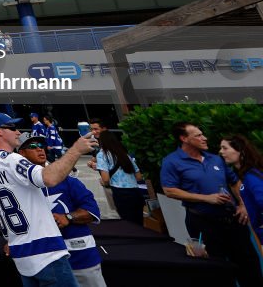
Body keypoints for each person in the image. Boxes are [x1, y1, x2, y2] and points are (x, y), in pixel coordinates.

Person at [0, 112, 97, 287]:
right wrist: (76, 150)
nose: (18, 132)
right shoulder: (11, 159)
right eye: (12, 128)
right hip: (45, 252)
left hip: (22, 254)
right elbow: (48, 178)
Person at [160, 122, 262, 287]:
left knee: (249, 264)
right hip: (202, 223)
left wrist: (243, 205)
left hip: (233, 220)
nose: (204, 138)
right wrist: (206, 198)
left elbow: (234, 182)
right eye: (198, 135)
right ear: (184, 138)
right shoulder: (171, 162)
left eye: (202, 134)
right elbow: (170, 190)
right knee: (215, 268)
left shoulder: (215, 158)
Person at [19, 136, 106, 287]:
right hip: (43, 260)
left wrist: (68, 217)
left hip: (81, 257)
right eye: (32, 146)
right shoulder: (19, 187)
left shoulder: (68, 180)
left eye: (41, 145)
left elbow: (92, 212)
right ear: (21, 153)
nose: (40, 149)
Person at [219, 135, 263, 251]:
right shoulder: (247, 174)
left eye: (225, 148)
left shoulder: (251, 176)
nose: (221, 152)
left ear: (240, 150)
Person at [95, 129, 144, 226]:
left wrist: (103, 182)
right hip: (136, 192)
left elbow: (106, 179)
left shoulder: (102, 155)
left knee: (128, 224)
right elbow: (139, 177)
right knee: (139, 224)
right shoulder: (125, 154)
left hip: (121, 193)